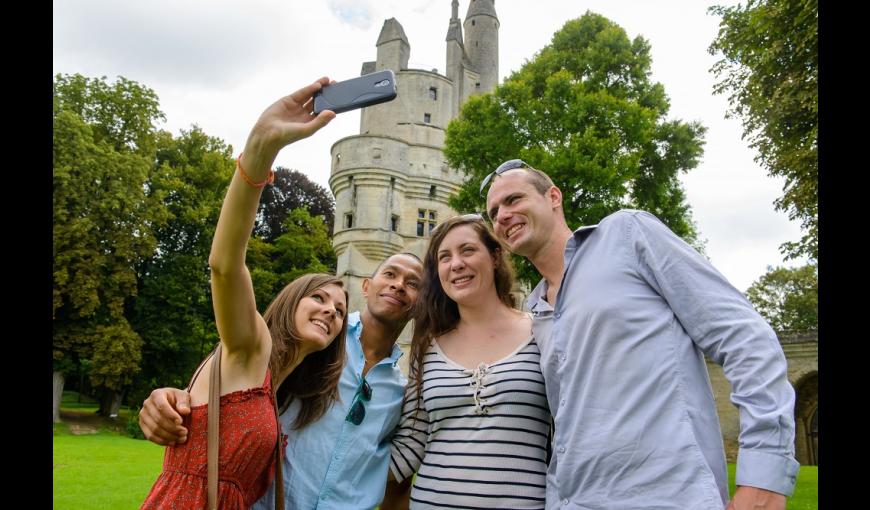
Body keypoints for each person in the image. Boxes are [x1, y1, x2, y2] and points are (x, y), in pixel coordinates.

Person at [481, 159, 800, 510]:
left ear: (553, 197)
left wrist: (764, 476)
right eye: (494, 212)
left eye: (513, 199)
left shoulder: (626, 235)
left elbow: (745, 338)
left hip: (667, 498)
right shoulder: (536, 311)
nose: (502, 216)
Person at [141, 77, 349, 509]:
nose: (331, 311)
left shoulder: (272, 387)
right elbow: (225, 263)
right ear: (289, 302)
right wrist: (260, 151)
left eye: (340, 310)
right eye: (319, 298)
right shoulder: (253, 345)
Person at [140, 252, 425, 509]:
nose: (398, 285)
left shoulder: (400, 390)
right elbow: (240, 376)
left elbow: (397, 478)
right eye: (390, 274)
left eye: (413, 284)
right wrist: (177, 397)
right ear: (366, 286)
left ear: (421, 304)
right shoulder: (319, 338)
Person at [389, 214, 550, 509]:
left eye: (468, 250)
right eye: (444, 257)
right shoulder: (427, 348)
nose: (456, 264)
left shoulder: (542, 332)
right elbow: (411, 444)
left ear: (496, 257)